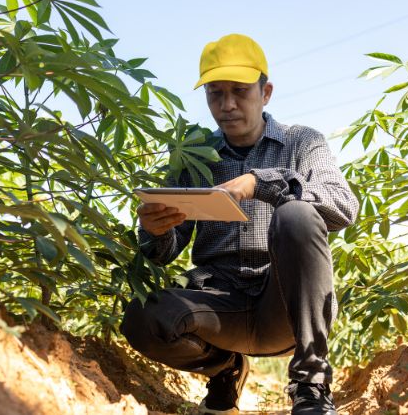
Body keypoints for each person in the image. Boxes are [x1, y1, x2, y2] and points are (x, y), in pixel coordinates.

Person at [120, 33, 359, 415]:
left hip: (284, 307)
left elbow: (344, 207)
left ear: (266, 93)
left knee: (295, 213)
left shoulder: (303, 142)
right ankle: (226, 370)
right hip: (219, 306)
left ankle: (311, 385)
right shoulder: (195, 151)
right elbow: (162, 254)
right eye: (215, 93)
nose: (226, 105)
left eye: (240, 91)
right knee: (142, 318)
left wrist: (262, 184)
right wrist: (156, 228)